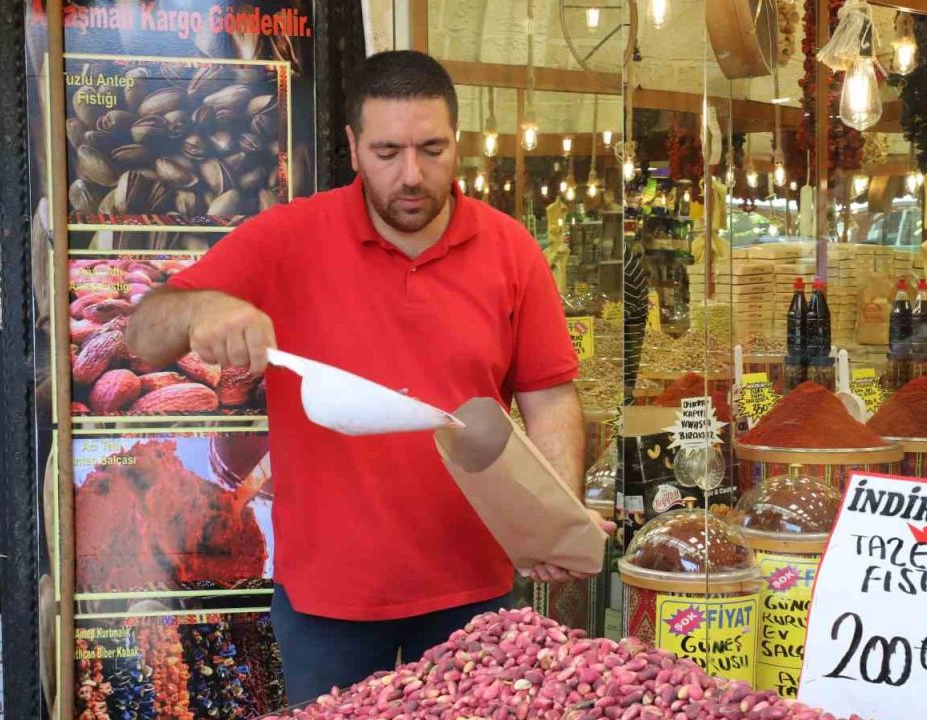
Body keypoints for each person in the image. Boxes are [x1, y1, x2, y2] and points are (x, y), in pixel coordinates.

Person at [126, 50, 613, 703]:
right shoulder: (286, 238)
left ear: (457, 142)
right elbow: (142, 334)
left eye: (432, 149)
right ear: (353, 147)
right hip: (328, 604)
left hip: (476, 593)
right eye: (387, 152)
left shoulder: (511, 251)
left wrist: (554, 519)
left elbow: (549, 398)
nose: (411, 174)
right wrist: (202, 308)